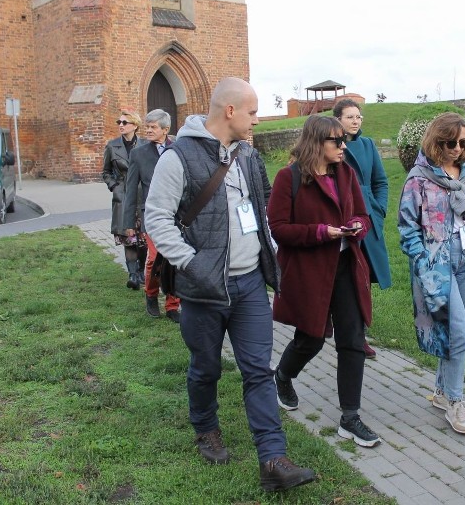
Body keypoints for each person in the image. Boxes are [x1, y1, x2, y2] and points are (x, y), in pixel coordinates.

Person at [144, 78, 315, 492]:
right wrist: (192, 265)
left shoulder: (249, 156)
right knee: (206, 368)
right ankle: (206, 428)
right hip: (203, 289)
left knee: (259, 371)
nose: (258, 119)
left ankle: (272, 459)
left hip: (250, 285)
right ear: (230, 112)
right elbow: (156, 218)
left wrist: (270, 253)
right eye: (253, 112)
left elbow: (261, 206)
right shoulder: (178, 157)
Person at [268, 115, 382, 448]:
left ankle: (350, 417)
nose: (344, 146)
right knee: (311, 339)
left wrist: (358, 226)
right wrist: (321, 232)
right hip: (309, 273)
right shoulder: (289, 178)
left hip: (346, 266)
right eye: (337, 141)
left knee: (352, 340)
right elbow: (278, 228)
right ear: (317, 142)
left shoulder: (345, 173)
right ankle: (283, 376)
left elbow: (363, 214)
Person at [397, 112, 465, 435]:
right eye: (450, 142)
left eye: (463, 142)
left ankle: (442, 390)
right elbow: (407, 229)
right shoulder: (418, 179)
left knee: (452, 329)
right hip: (438, 268)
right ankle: (456, 403)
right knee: (457, 330)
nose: (458, 148)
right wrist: (423, 263)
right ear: (436, 141)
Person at [333, 99, 391, 359]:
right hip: (343, 219)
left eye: (358, 117)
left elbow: (381, 181)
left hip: (367, 218)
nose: (356, 121)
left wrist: (379, 209)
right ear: (338, 120)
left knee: (364, 277)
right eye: (350, 117)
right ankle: (350, 333)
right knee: (347, 278)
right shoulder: (332, 146)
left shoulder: (367, 145)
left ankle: (359, 335)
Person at [122, 109, 181, 322]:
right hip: (152, 216)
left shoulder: (179, 149)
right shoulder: (138, 154)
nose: (148, 130)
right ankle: (151, 295)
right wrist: (128, 222)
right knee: (155, 258)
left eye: (153, 127)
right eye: (147, 126)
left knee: (174, 258)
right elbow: (131, 189)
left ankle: (173, 305)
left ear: (165, 130)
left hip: (176, 215)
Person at [102, 109, 147, 289]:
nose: (120, 125)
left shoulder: (145, 145)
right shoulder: (112, 146)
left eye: (124, 122)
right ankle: (132, 275)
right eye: (118, 122)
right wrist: (114, 187)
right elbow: (105, 172)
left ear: (135, 126)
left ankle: (142, 271)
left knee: (142, 238)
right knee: (128, 237)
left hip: (142, 195)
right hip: (123, 196)